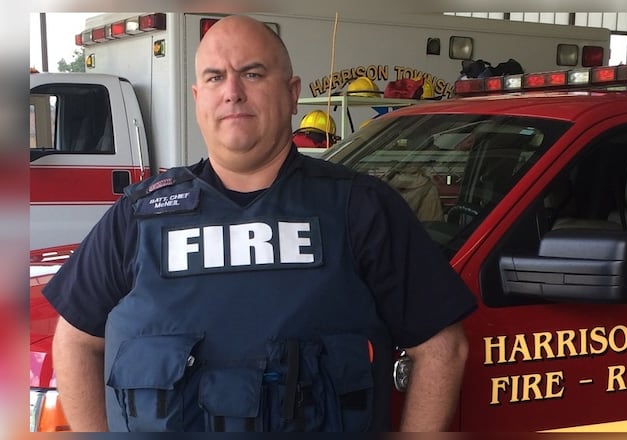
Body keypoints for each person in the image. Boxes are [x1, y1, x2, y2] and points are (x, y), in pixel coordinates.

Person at [42, 15, 477, 432]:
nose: (232, 91)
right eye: (215, 77)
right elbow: (75, 341)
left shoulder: (360, 208)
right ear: (198, 99)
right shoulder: (139, 217)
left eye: (252, 74)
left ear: (291, 93)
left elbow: (443, 347)